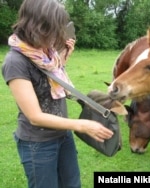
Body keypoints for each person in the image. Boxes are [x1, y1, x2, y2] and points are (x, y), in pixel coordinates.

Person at [1, 0, 114, 187]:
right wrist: (81, 125)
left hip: (63, 136)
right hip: (38, 144)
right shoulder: (15, 62)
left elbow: (50, 82)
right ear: (38, 26)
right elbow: (35, 117)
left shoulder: (47, 53)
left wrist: (62, 59)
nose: (59, 34)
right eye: (54, 28)